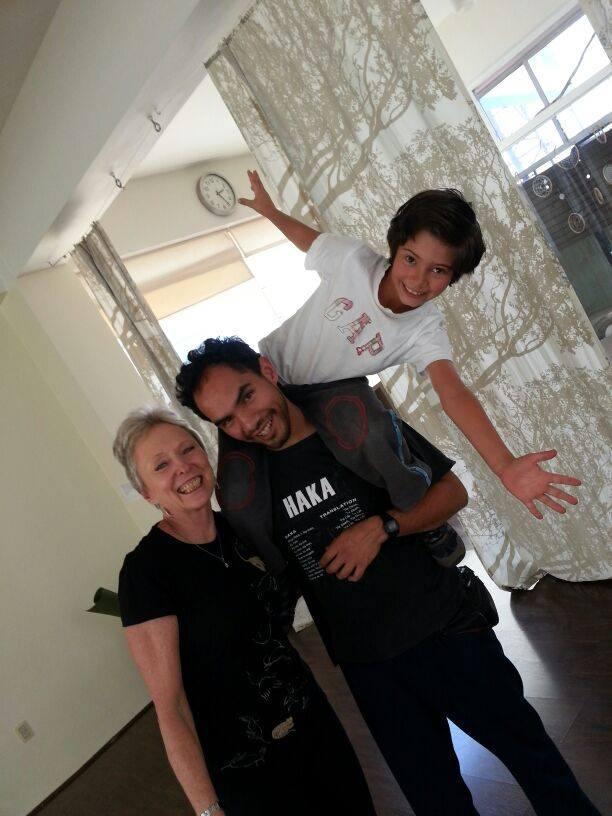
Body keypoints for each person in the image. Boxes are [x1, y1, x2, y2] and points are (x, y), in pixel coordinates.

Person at [175, 337, 600, 816]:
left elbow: (453, 491)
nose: (247, 422)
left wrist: (382, 527)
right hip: (368, 667)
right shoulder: (248, 490)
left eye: (247, 396)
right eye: (226, 421)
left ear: (268, 371)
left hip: (447, 630)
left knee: (535, 762)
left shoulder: (354, 424)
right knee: (436, 802)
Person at [238, 169, 581, 520]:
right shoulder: (352, 261)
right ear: (396, 248)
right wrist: (270, 212)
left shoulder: (425, 329)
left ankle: (415, 510)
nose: (418, 280)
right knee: (239, 484)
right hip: (264, 371)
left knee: (368, 434)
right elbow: (308, 241)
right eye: (411, 259)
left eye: (438, 270)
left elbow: (453, 393)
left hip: (323, 393)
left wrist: (504, 464)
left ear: (453, 276)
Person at [113, 407, 377, 816]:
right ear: (147, 492)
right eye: (161, 465)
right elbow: (172, 707)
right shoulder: (146, 571)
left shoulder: (243, 529)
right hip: (247, 765)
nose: (183, 467)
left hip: (313, 724)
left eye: (188, 450)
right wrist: (208, 811)